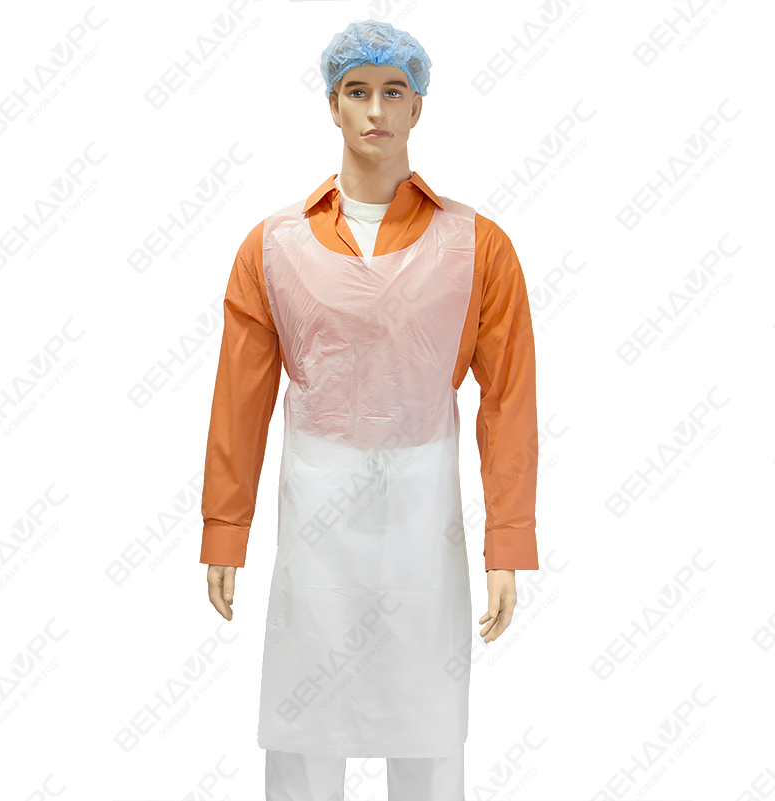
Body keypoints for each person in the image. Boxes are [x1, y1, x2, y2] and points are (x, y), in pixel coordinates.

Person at [198, 19, 539, 801]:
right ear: (332, 104)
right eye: (357, 91)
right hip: (315, 520)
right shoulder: (273, 245)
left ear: (419, 106)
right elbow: (239, 401)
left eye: (394, 91)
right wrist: (225, 529)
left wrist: (507, 543)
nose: (376, 110)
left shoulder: (477, 246)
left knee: (426, 728)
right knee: (304, 726)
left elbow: (509, 400)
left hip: (424, 523)